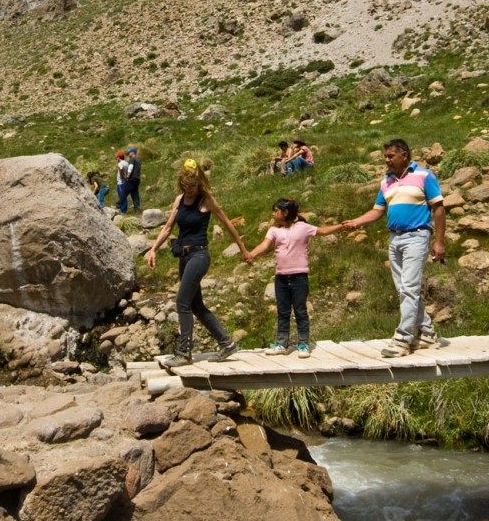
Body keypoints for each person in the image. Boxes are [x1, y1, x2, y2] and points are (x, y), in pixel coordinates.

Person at [340, 138, 450, 358]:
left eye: (391, 156)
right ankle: (427, 332)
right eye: (385, 156)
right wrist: (356, 222)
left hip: (417, 236)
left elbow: (438, 208)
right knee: (403, 289)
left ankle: (403, 339)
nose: (386, 160)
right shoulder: (386, 182)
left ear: (404, 155)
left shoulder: (424, 176)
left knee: (409, 288)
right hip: (395, 239)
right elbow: (377, 211)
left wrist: (439, 241)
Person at [146, 158, 251, 367]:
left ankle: (184, 353)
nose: (189, 189)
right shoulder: (179, 200)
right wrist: (153, 248)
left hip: (199, 255)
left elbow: (227, 223)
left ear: (199, 182)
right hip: (184, 257)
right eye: (185, 185)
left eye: (192, 186)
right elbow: (167, 227)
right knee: (196, 305)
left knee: (182, 302)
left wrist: (243, 249)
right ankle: (227, 343)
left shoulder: (206, 201)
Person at [244, 197, 344, 358]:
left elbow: (323, 231)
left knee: (300, 310)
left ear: (285, 213)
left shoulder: (303, 228)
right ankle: (282, 344)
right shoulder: (274, 230)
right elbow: (264, 245)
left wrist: (341, 226)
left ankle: (303, 344)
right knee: (283, 312)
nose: (273, 214)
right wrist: (252, 254)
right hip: (281, 278)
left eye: (276, 211)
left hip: (299, 277)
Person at [118, 147, 142, 213]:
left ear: (132, 153)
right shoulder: (138, 160)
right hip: (137, 179)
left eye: (129, 153)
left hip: (131, 178)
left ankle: (118, 205)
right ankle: (137, 209)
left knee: (124, 191)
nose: (128, 154)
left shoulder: (132, 159)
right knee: (135, 194)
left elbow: (130, 167)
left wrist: (128, 175)